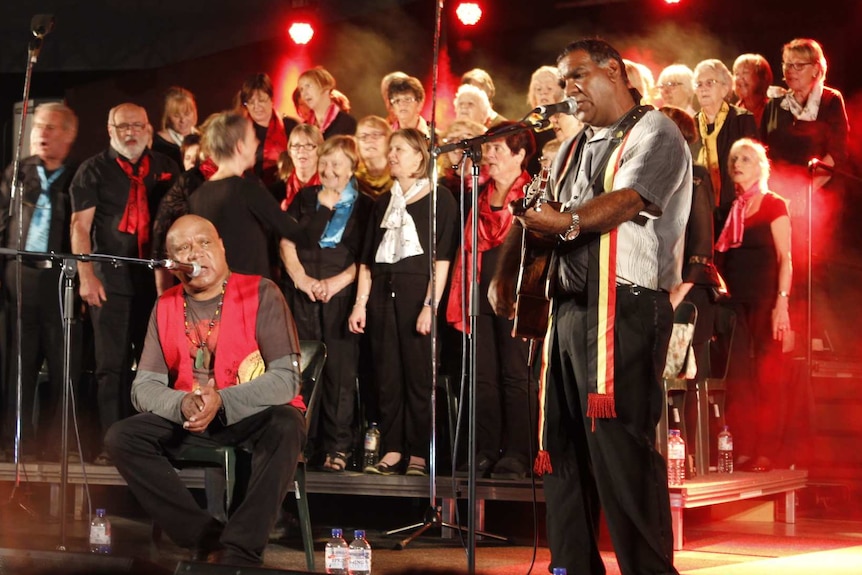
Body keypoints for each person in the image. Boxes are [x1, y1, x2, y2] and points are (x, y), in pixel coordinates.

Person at [489, 39, 690, 574]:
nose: (569, 89)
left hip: (626, 308)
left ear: (615, 71)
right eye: (563, 80)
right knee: (564, 452)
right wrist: (506, 268)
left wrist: (567, 223)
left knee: (621, 456)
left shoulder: (658, 132)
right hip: (568, 310)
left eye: (578, 76)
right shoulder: (575, 146)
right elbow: (536, 205)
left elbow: (629, 201)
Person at [104, 214, 306, 567]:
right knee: (122, 437)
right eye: (183, 248)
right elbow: (144, 386)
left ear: (222, 247)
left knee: (287, 423)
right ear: (172, 263)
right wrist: (181, 404)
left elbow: (286, 380)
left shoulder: (261, 292)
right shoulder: (165, 304)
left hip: (246, 411)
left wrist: (223, 401)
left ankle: (240, 550)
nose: (195, 253)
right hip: (191, 415)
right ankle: (206, 537)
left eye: (204, 242)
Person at [70, 103, 180, 465]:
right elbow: (80, 228)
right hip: (109, 279)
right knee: (111, 367)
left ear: (149, 129)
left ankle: (154, 441)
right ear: (109, 129)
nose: (130, 132)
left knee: (156, 367)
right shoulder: (93, 170)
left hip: (155, 281)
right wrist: (86, 276)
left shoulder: (165, 167)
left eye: (137, 125)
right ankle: (111, 444)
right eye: (122, 126)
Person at [348, 128, 458, 476]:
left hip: (416, 295)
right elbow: (368, 259)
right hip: (381, 292)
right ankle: (393, 447)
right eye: (390, 148)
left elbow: (442, 261)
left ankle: (419, 452)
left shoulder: (441, 199)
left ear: (418, 156)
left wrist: (430, 306)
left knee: (418, 376)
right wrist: (360, 303)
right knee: (387, 375)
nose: (391, 154)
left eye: (399, 149)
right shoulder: (383, 202)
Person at [446, 122, 537, 479]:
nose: (490, 155)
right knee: (481, 375)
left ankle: (518, 452)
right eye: (489, 148)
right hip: (477, 292)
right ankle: (485, 449)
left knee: (516, 375)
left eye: (499, 149)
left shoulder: (532, 195)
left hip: (516, 295)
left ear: (519, 154)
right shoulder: (477, 195)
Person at [282, 136, 373, 472]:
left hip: (342, 294)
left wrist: (335, 284)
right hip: (303, 292)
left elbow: (368, 256)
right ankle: (301, 444)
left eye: (337, 164)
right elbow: (286, 241)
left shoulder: (366, 206)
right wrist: (301, 279)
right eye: (325, 164)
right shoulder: (305, 198)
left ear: (352, 168)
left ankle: (338, 447)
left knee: (339, 372)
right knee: (301, 372)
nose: (329, 170)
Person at [0, 103, 81, 461]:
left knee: (63, 365)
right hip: (20, 276)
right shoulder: (18, 172)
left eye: (51, 128)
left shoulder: (78, 175)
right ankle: (17, 443)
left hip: (59, 279)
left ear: (69, 134)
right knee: (18, 363)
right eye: (38, 128)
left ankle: (56, 445)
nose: (42, 135)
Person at [715, 138, 792, 473]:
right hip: (735, 306)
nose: (738, 162)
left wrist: (782, 305)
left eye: (746, 158)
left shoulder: (774, 204)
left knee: (767, 379)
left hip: (764, 302)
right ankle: (743, 448)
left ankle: (768, 451)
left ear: (762, 166)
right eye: (734, 158)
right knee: (740, 380)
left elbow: (785, 259)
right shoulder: (730, 210)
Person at [188, 111, 306, 279]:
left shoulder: (197, 197)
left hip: (217, 293)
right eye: (252, 138)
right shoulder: (247, 190)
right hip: (248, 292)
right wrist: (326, 205)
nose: (257, 142)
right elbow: (297, 233)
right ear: (239, 146)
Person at [690, 59, 758, 233]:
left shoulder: (742, 119)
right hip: (699, 209)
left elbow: (755, 165)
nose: (703, 88)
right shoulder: (691, 125)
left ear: (725, 88)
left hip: (736, 208)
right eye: (698, 84)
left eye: (709, 83)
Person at [237, 73, 299, 191]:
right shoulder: (240, 131)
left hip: (289, 191)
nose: (256, 106)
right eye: (250, 102)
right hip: (253, 194)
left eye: (261, 100)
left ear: (272, 99)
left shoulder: (291, 126)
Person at [525, 65, 565, 176]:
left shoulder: (569, 125)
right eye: (538, 89)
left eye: (549, 88)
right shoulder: (525, 128)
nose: (543, 93)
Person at [297, 67, 357, 139]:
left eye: (308, 86)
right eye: (301, 89)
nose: (304, 93)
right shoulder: (305, 128)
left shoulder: (346, 122)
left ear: (326, 88)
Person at [152, 86, 198, 169]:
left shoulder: (205, 138)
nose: (183, 120)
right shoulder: (156, 144)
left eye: (187, 114)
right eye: (176, 116)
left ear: (194, 112)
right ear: (167, 117)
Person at [281, 124, 324, 210]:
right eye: (296, 146)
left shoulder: (330, 188)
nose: (301, 150)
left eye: (309, 145)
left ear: (320, 150)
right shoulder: (277, 192)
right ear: (289, 151)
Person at [354, 115, 393, 200]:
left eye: (376, 135)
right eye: (363, 136)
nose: (369, 140)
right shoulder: (353, 180)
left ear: (390, 139)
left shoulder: (400, 175)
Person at [732, 54, 773, 129]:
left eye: (745, 72)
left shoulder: (773, 109)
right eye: (736, 74)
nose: (739, 78)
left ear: (761, 77)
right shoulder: (733, 113)